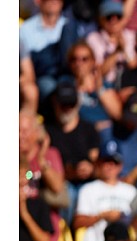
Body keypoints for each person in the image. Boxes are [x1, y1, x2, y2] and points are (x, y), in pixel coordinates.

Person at [20, 109, 68, 241]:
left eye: (25, 130)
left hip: (44, 235)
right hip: (23, 239)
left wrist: (40, 162)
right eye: (17, 130)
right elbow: (25, 175)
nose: (21, 135)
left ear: (37, 133)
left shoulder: (49, 155)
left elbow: (58, 188)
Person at [44, 78, 102, 224]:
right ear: (54, 103)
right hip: (60, 182)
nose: (67, 109)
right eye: (63, 104)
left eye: (71, 104)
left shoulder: (89, 129)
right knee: (67, 191)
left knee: (89, 191)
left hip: (87, 183)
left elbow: (96, 160)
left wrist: (90, 168)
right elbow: (32, 171)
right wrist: (69, 172)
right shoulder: (46, 133)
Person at [72, 147, 137, 241]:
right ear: (98, 164)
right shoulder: (88, 190)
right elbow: (77, 223)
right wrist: (102, 216)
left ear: (120, 166)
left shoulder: (130, 191)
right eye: (106, 162)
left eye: (115, 163)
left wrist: (125, 217)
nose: (110, 166)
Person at [62, 40, 124, 145]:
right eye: (74, 59)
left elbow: (118, 115)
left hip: (106, 136)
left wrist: (99, 89)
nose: (79, 63)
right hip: (81, 137)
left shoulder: (104, 85)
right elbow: (65, 118)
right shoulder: (65, 86)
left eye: (84, 59)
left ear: (93, 61)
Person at [19, 0, 69, 115]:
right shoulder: (25, 29)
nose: (53, 1)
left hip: (67, 75)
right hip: (41, 77)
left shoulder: (69, 25)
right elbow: (26, 66)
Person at [86, 0, 137, 87]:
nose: (114, 20)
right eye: (109, 17)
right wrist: (117, 52)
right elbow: (100, 72)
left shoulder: (131, 36)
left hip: (128, 83)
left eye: (118, 16)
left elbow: (134, 66)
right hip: (105, 84)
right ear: (101, 19)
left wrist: (124, 50)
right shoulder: (93, 39)